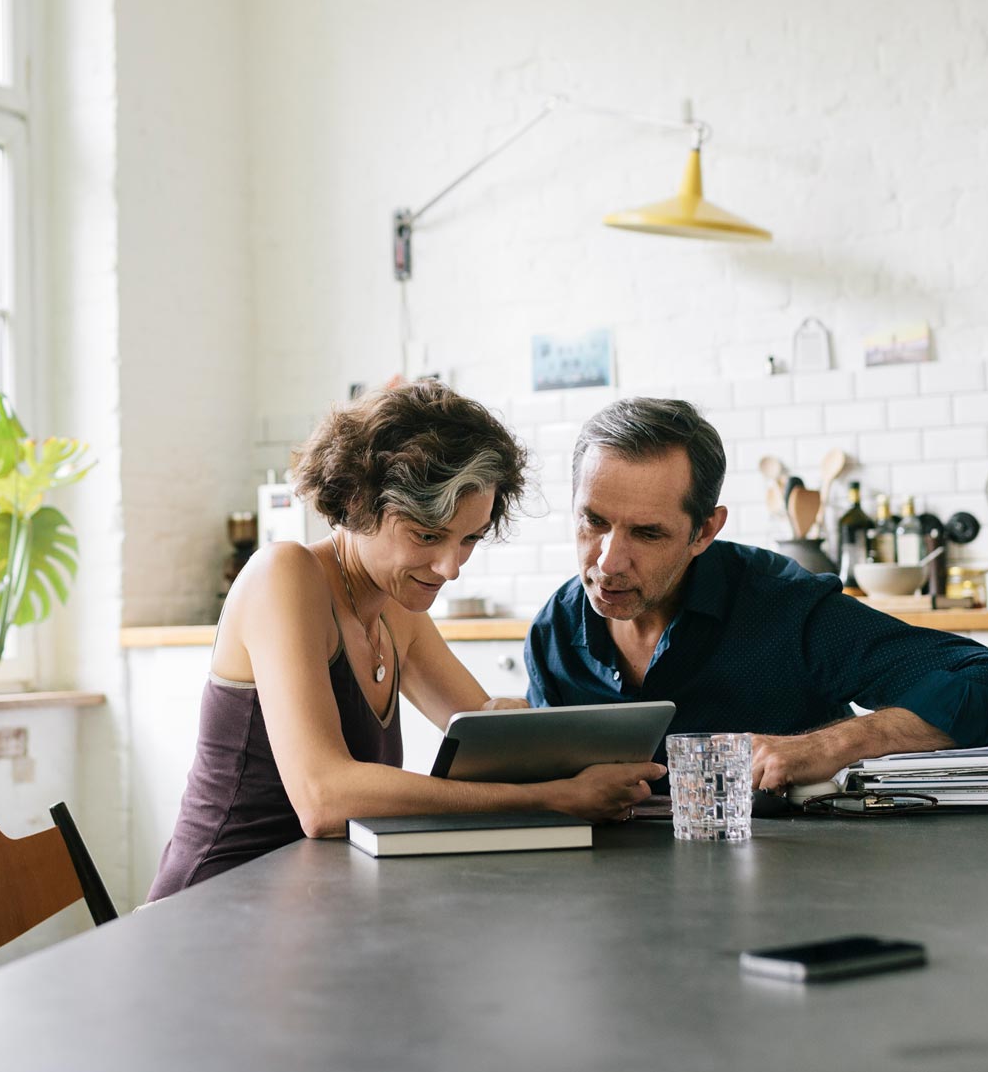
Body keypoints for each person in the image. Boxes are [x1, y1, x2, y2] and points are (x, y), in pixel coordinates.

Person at [149, 381, 662, 899]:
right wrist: (549, 796)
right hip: (214, 902)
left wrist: (519, 733)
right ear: (357, 501)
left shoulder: (397, 608)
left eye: (468, 539)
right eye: (426, 535)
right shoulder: (283, 575)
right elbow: (324, 800)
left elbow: (485, 738)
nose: (450, 568)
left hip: (312, 901)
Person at [524, 397, 988, 794]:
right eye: (593, 521)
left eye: (648, 533)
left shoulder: (785, 610)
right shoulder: (554, 632)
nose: (608, 562)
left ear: (704, 532)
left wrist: (829, 745)